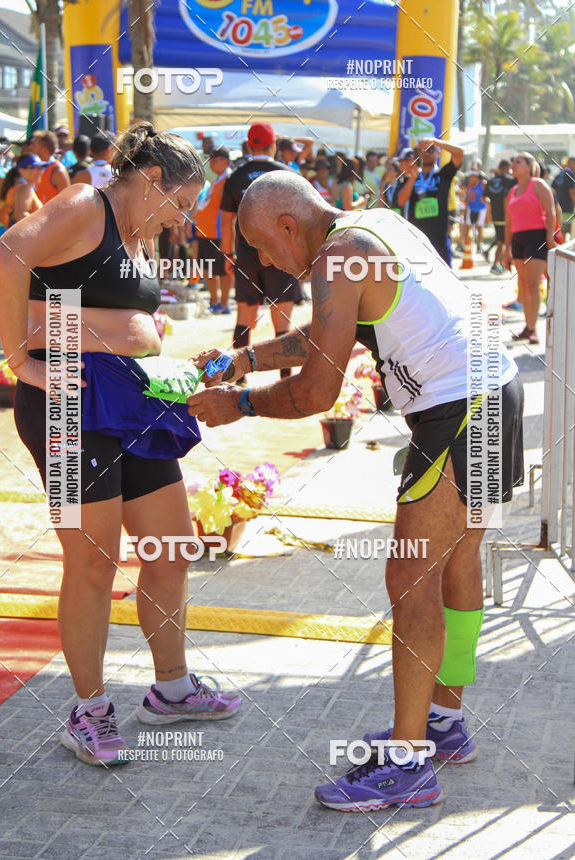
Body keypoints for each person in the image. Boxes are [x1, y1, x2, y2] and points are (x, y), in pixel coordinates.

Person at [188, 171, 524, 812]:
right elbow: (333, 337)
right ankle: (442, 724)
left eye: (260, 246)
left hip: (460, 408)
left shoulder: (337, 258)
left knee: (409, 580)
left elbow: (318, 390)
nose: (262, 261)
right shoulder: (371, 223)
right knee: (455, 564)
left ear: (289, 226)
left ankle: (408, 762)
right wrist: (246, 359)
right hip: (492, 388)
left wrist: (238, 403)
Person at [0, 122, 241, 768]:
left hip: (134, 398)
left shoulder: (138, 235)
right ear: (152, 180)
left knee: (172, 545)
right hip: (70, 402)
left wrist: (176, 361)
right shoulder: (84, 203)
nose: (182, 221)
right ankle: (88, 710)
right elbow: (5, 256)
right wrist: (22, 360)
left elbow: (119, 322)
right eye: (181, 204)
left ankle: (172, 687)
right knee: (95, 562)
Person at [219, 121, 302, 381]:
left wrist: (227, 253)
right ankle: (285, 377)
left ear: (249, 145)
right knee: (283, 321)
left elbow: (225, 220)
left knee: (245, 314)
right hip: (281, 255)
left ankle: (237, 375)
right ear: (273, 144)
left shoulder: (236, 176)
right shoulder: (286, 174)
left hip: (245, 255)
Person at [504, 151, 556, 345]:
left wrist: (550, 237)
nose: (514, 164)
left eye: (518, 161)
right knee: (523, 284)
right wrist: (506, 250)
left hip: (536, 237)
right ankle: (527, 326)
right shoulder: (512, 190)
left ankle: (533, 329)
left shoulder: (538, 185)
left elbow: (550, 211)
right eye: (513, 161)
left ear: (529, 166)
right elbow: (509, 223)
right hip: (518, 239)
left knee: (533, 284)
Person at [409, 137, 464, 265]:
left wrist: (435, 141)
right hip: (417, 238)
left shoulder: (443, 174)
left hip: (439, 237)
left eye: (431, 150)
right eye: (425, 150)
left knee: (444, 278)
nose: (427, 153)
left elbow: (459, 153)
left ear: (437, 153)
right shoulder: (413, 176)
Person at [195, 147, 233, 313]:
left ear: (224, 161)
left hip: (218, 233)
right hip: (204, 232)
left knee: (224, 270)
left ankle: (224, 304)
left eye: (213, 159)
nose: (209, 163)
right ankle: (215, 301)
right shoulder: (217, 180)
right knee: (207, 268)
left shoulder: (228, 180)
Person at [484, 159, 516, 273]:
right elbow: (507, 199)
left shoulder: (491, 181)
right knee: (502, 242)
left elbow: (485, 197)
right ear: (507, 168)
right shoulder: (510, 181)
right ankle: (497, 265)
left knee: (500, 241)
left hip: (495, 215)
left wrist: (489, 211)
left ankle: (499, 265)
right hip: (506, 216)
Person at [31, 130, 70, 203]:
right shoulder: (29, 168)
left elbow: (67, 202)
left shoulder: (58, 170)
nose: (30, 147)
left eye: (34, 145)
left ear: (44, 151)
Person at [461, 170, 489, 253]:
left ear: (476, 177)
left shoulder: (483, 184)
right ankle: (467, 245)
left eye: (471, 177)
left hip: (481, 208)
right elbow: (467, 198)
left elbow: (487, 197)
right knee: (467, 227)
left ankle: (479, 246)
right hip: (471, 208)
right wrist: (465, 211)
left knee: (480, 227)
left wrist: (488, 214)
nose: (469, 178)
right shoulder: (469, 186)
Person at [388, 147, 418, 218]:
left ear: (411, 161)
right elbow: (401, 202)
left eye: (401, 163)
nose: (400, 167)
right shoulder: (402, 180)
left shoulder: (422, 178)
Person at [551, 157, 575, 237]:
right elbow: (571, 192)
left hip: (558, 206)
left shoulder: (561, 173)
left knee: (560, 230)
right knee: (565, 231)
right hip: (567, 207)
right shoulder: (570, 174)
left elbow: (552, 188)